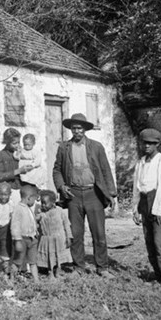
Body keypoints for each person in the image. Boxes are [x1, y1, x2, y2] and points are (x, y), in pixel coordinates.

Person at [52, 113, 117, 278]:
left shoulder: (96, 147)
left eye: (80, 128)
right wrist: (61, 186)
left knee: (99, 233)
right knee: (76, 234)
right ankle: (78, 267)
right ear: (70, 129)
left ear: (85, 129)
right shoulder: (64, 148)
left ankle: (102, 267)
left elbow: (105, 170)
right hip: (73, 195)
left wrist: (111, 194)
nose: (77, 131)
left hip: (93, 194)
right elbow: (57, 170)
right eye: (74, 128)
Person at [131, 128, 161, 292]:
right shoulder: (140, 163)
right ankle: (158, 275)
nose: (147, 147)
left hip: (158, 203)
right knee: (149, 241)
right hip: (145, 202)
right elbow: (137, 187)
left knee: (160, 243)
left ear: (157, 144)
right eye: (144, 143)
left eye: (151, 144)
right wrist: (135, 208)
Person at [0, 128, 35, 204]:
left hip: (23, 189)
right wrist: (18, 171)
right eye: (14, 143)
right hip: (9, 192)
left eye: (18, 142)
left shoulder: (21, 154)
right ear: (6, 142)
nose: (17, 145)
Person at [37, 190, 73, 278]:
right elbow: (37, 224)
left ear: (53, 203)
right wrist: (38, 218)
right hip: (47, 240)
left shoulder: (60, 211)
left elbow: (66, 225)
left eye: (45, 203)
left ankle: (58, 270)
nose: (43, 205)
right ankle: (50, 272)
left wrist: (69, 237)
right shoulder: (41, 213)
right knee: (49, 256)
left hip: (59, 239)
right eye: (42, 203)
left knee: (58, 256)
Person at [10, 183, 40, 282]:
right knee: (18, 261)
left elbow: (30, 221)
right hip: (22, 239)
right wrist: (17, 240)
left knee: (33, 261)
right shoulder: (18, 209)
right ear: (28, 198)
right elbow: (15, 226)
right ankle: (11, 279)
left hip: (32, 239)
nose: (34, 202)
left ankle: (36, 280)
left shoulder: (28, 208)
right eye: (33, 200)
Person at [0, 182, 15, 273]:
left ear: (10, 194)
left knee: (5, 248)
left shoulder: (11, 205)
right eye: (1, 194)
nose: (3, 197)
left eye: (5, 195)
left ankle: (6, 271)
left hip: (6, 229)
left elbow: (13, 217)